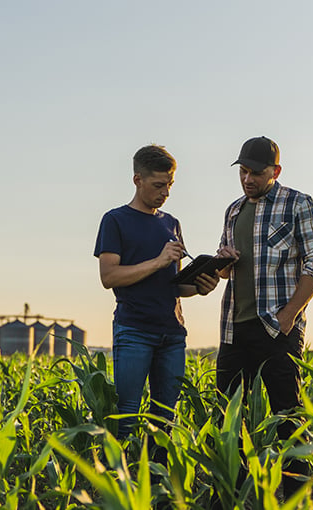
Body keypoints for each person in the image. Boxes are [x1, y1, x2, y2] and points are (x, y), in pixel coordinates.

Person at [215, 136, 313, 498]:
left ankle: (297, 498)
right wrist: (223, 261)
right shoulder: (233, 211)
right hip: (235, 327)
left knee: (288, 417)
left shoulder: (298, 204)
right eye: (243, 172)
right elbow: (224, 275)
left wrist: (289, 315)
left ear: (275, 171)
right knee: (228, 418)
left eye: (256, 173)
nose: (248, 179)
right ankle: (235, 495)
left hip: (277, 328)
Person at [94, 144, 220, 448]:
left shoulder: (171, 223)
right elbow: (109, 277)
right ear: (137, 180)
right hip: (134, 330)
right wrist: (159, 261)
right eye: (158, 185)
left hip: (172, 334)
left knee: (165, 419)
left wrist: (201, 286)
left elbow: (173, 285)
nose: (165, 193)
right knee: (126, 416)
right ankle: (121, 487)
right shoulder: (115, 220)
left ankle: (160, 490)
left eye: (170, 185)